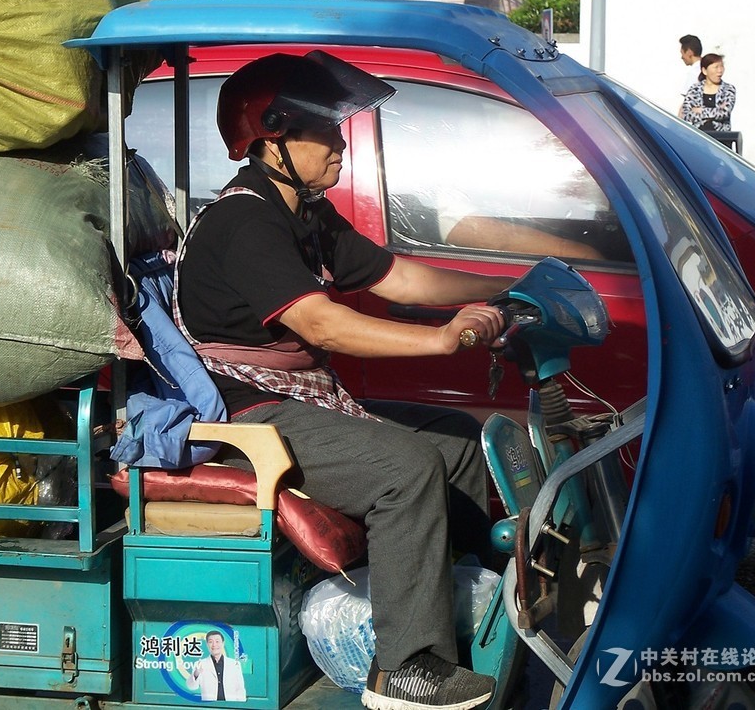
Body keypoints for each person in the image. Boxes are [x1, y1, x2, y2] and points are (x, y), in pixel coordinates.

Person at [173, 50, 515, 710]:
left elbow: (401, 278)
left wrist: (508, 286)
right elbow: (323, 326)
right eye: (324, 132)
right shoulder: (247, 221)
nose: (340, 146)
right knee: (408, 465)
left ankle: (470, 606)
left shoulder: (306, 216)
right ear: (272, 138)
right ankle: (408, 667)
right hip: (250, 416)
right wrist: (442, 339)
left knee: (455, 439)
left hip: (295, 399)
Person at [177, 630, 248, 702]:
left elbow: (240, 688)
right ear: (207, 644)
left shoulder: (234, 664)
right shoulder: (200, 664)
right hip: (209, 706)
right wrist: (196, 674)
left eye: (217, 641)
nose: (214, 645)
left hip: (230, 705)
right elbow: (191, 687)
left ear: (223, 643)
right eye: (211, 642)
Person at [679, 52, 735, 133]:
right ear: (704, 70)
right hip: (698, 136)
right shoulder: (694, 89)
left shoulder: (728, 89)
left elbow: (724, 112)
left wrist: (700, 110)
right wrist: (716, 110)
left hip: (721, 137)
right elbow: (685, 114)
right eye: (716, 67)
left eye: (721, 66)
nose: (720, 71)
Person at [677, 34, 703, 113]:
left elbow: (686, 105)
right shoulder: (709, 69)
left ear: (689, 52)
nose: (682, 57)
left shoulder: (693, 73)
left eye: (682, 53)